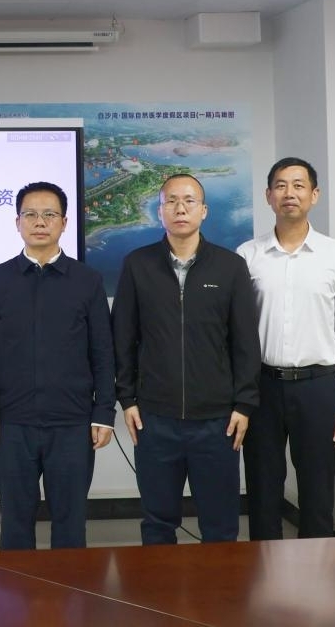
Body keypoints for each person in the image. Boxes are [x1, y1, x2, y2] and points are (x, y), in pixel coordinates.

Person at [113, 173, 260, 544]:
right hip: (154, 418)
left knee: (220, 524)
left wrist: (244, 404)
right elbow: (123, 338)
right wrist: (127, 399)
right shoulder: (137, 265)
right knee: (158, 522)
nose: (180, 208)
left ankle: (219, 583)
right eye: (171, 201)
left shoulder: (230, 267)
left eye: (189, 201)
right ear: (159, 210)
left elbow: (245, 342)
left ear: (204, 210)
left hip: (217, 420)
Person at [0, 180, 115, 550]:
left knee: (70, 522)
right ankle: (17, 588)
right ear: (17, 222)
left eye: (49, 214)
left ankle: (68, 587)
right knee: (15, 522)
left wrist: (103, 413)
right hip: (12, 422)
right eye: (31, 214)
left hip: (72, 422)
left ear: (64, 223)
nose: (40, 222)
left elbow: (102, 351)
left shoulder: (87, 281)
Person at [237, 157, 335, 539]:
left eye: (298, 185)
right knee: (262, 489)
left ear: (314, 194)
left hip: (318, 388)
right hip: (262, 388)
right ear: (268, 195)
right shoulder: (247, 255)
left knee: (318, 492)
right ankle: (264, 569)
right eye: (280, 185)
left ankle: (318, 571)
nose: (289, 193)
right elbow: (236, 333)